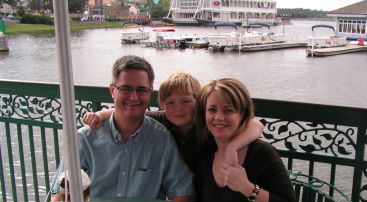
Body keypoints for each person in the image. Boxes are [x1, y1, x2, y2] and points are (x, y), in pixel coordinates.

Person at [51, 55, 195, 202]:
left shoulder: (161, 139)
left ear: (149, 93)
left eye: (141, 90)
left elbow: (183, 191)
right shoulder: (85, 139)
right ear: (112, 90)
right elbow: (60, 195)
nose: (134, 97)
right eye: (125, 88)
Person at [83, 72, 264, 173]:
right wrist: (100, 115)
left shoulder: (207, 122)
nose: (178, 109)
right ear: (163, 106)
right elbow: (127, 112)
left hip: (208, 189)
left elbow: (255, 125)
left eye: (186, 102)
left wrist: (232, 147)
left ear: (198, 102)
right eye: (171, 103)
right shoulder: (164, 119)